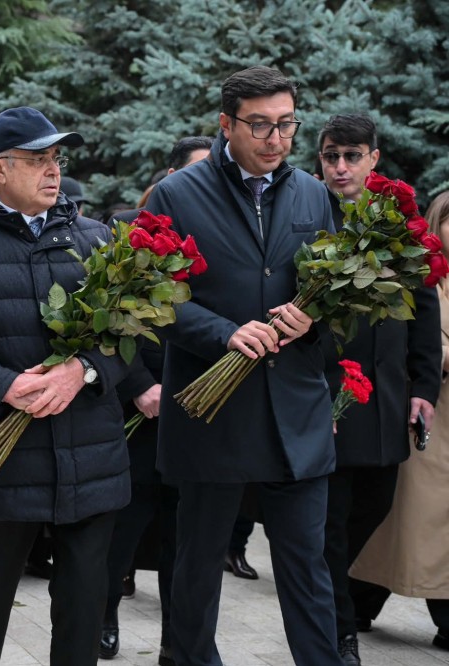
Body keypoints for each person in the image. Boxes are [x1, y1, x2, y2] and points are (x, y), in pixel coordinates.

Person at [0, 106, 133, 665]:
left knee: (84, 610)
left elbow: (136, 337)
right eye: (37, 160)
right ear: (0, 170)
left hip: (90, 457)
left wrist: (83, 369)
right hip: (1, 461)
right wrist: (4, 385)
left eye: (56, 159)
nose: (53, 171)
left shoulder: (97, 240)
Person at [146, 65, 345, 666]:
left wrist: (314, 321)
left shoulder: (313, 193)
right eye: (260, 125)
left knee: (307, 564)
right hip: (213, 407)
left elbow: (332, 291)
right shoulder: (177, 194)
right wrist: (225, 333)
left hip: (296, 409)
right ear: (226, 124)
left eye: (286, 124)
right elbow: (153, 299)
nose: (276, 138)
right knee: (199, 561)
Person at [314, 113, 441, 665]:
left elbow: (424, 306)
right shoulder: (309, 215)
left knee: (376, 507)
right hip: (326, 399)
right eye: (330, 156)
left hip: (387, 400)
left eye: (351, 156)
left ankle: (340, 606)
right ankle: (340, 629)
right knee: (331, 522)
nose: (340, 168)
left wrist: (424, 388)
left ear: (373, 159)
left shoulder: (398, 223)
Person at [100, 134, 214, 663]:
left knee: (184, 533)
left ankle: (179, 637)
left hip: (200, 405)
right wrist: (140, 385)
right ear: (172, 178)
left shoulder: (224, 233)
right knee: (126, 524)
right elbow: (110, 322)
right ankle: (103, 614)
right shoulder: (130, 233)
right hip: (141, 409)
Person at [349, 191, 449, 651]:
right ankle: (359, 600)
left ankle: (358, 600)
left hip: (430, 414)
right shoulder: (419, 270)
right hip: (426, 422)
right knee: (411, 521)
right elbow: (411, 339)